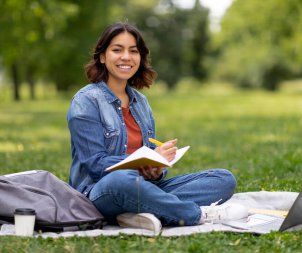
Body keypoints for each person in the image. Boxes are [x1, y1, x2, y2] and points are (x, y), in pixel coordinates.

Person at [67, 22, 237, 230]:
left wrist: (156, 169)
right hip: (100, 192)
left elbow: (149, 158)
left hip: (143, 187)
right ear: (102, 56)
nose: (126, 57)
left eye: (133, 51)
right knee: (122, 181)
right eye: (117, 50)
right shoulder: (86, 101)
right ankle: (196, 214)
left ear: (140, 57)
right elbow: (95, 165)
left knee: (222, 179)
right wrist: (138, 165)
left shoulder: (141, 102)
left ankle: (137, 212)